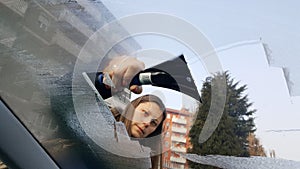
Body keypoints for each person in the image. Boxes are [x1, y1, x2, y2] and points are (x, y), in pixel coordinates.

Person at [95, 56, 167, 169]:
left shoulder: (143, 161)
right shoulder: (103, 121)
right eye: (145, 113)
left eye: (154, 123)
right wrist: (103, 82)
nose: (147, 123)